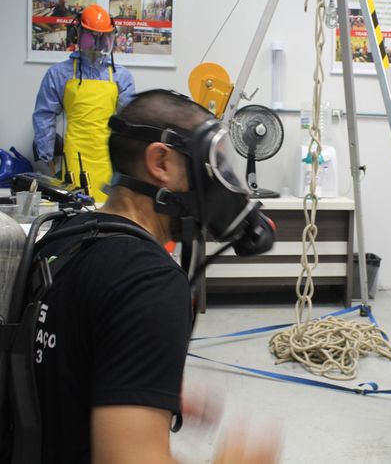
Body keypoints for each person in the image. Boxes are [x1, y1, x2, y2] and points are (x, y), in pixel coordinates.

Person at [32, 89, 279, 463]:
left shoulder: (64, 236)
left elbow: (64, 362)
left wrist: (139, 383)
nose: (220, 182)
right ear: (160, 162)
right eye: (211, 164)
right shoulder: (149, 282)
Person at [32, 4, 135, 202]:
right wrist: (46, 156)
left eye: (103, 38)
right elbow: (44, 115)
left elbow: (129, 123)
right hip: (74, 155)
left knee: (107, 209)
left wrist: (129, 163)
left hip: (109, 158)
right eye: (91, 37)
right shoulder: (59, 74)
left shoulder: (121, 76)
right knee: (76, 208)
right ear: (77, 35)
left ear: (111, 38)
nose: (97, 45)